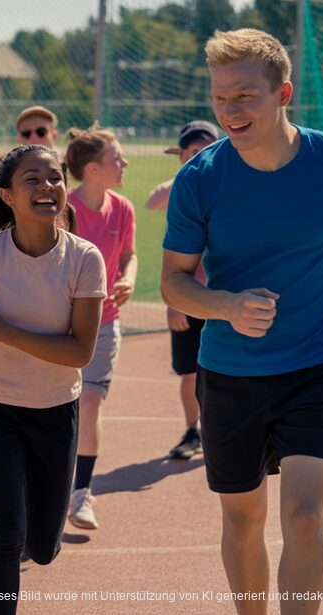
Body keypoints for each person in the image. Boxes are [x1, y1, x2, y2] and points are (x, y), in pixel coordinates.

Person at [162, 28, 323, 615]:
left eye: (245, 96)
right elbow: (174, 281)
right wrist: (225, 305)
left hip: (321, 362)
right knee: (243, 519)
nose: (230, 110)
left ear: (284, 94)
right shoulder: (200, 178)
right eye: (220, 97)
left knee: (304, 517)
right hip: (230, 371)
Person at [0, 140, 105, 615]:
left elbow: (80, 352)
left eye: (55, 178)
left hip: (56, 413)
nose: (47, 186)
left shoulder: (84, 259)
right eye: (32, 179)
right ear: (8, 195)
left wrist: (4, 332)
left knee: (43, 548)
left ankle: (37, 517)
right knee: (5, 535)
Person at [63, 124, 137, 530]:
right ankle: (46, 489)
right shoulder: (63, 208)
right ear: (93, 168)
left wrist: (128, 278)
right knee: (57, 409)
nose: (124, 163)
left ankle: (80, 495)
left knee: (90, 403)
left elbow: (128, 255)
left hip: (105, 324)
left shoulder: (123, 208)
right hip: (59, 325)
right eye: (116, 158)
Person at [144, 120, 220, 460]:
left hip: (226, 295)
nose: (199, 156)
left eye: (206, 149)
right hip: (188, 294)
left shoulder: (232, 183)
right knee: (190, 370)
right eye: (192, 151)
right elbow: (153, 200)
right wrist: (174, 303)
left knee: (229, 368)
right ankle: (193, 430)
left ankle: (228, 432)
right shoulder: (180, 187)